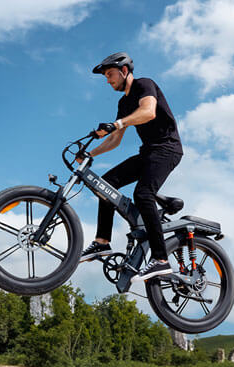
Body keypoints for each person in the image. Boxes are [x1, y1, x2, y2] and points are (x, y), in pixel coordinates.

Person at [78, 52, 184, 283]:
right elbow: (115, 139)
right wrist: (90, 154)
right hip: (148, 153)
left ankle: (161, 261)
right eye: (106, 76)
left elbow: (148, 112)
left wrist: (118, 122)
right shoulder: (124, 103)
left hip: (167, 149)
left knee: (143, 194)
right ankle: (102, 242)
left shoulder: (144, 85)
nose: (107, 80)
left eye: (110, 74)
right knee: (104, 184)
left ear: (124, 71)